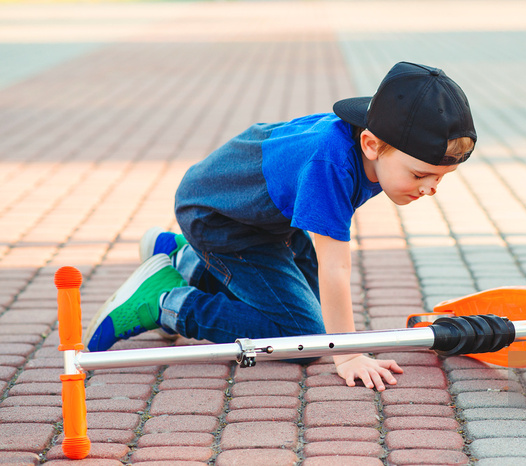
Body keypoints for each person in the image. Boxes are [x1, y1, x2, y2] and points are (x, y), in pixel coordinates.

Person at [84, 61, 477, 391]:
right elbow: (335, 267)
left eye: (441, 178)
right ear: (372, 145)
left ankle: (183, 258)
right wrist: (349, 353)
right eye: (421, 174)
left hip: (260, 219)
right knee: (306, 338)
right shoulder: (331, 165)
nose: (430, 188)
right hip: (222, 221)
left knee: (316, 314)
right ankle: (165, 303)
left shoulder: (369, 147)